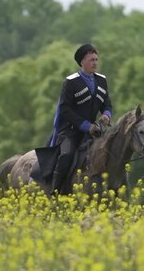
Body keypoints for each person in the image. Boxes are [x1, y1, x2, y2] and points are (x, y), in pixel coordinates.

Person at [48, 44, 112, 194]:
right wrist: (85, 125)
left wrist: (106, 115)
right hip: (70, 131)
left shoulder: (102, 80)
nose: (95, 63)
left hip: (94, 131)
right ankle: (55, 192)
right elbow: (64, 109)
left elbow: (107, 104)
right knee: (66, 155)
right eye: (91, 60)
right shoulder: (71, 82)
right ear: (82, 62)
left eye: (96, 59)